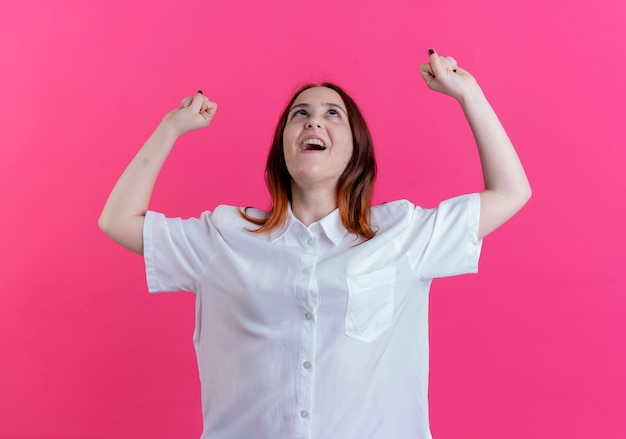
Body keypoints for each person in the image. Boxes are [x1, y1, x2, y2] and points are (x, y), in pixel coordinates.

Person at [99, 49, 531, 439]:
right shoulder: (225, 236)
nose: (313, 120)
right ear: (283, 150)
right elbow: (117, 220)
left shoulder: (402, 235)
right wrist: (169, 129)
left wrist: (468, 93)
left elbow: (511, 192)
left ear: (354, 150)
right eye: (299, 114)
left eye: (332, 113)